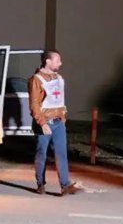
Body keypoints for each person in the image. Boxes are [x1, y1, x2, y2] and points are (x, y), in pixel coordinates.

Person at [28, 49, 83, 196]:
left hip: (59, 122)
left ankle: (65, 185)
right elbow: (34, 105)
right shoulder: (36, 79)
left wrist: (63, 118)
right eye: (57, 60)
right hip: (45, 123)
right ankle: (40, 184)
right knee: (42, 154)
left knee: (61, 154)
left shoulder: (58, 77)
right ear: (48, 61)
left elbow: (59, 100)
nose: (61, 63)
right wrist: (43, 123)